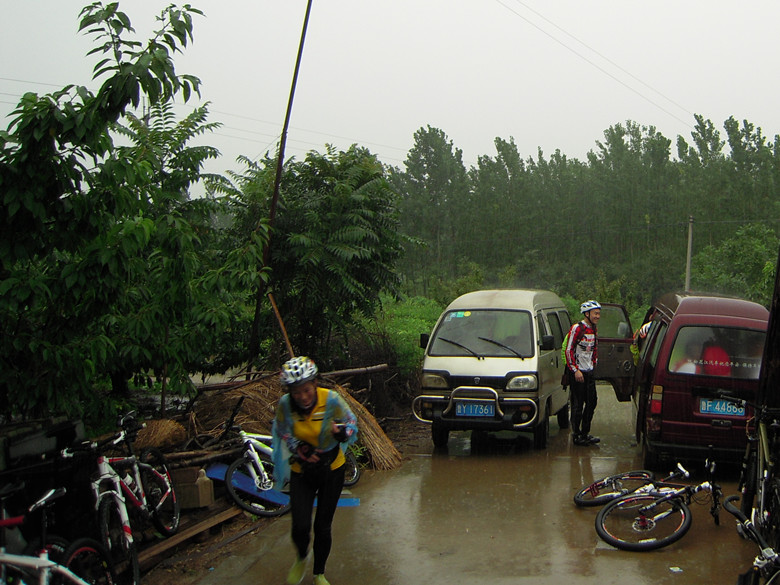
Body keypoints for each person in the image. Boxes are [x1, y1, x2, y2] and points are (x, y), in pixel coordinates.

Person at [272, 356, 358, 585]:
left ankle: (319, 573)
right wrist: (297, 446)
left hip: (332, 470)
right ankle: (301, 557)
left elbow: (351, 423)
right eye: (296, 392)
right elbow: (281, 429)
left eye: (307, 390)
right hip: (302, 470)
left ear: (315, 384)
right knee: (300, 525)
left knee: (322, 526)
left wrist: (342, 433)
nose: (302, 396)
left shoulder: (331, 400)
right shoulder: (285, 405)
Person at [565, 300, 601, 446]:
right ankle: (576, 434)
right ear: (587, 314)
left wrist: (594, 363)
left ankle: (585, 433)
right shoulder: (577, 328)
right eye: (595, 313)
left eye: (599, 313)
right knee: (578, 404)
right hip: (578, 373)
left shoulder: (594, 329)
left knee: (592, 402)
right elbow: (569, 350)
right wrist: (575, 370)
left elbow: (594, 348)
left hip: (589, 372)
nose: (598, 316)